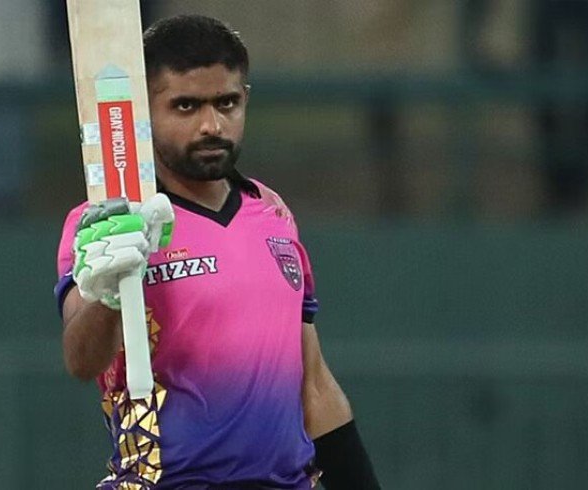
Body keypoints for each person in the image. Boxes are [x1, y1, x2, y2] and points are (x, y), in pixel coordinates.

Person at [54, 15, 379, 489]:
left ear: (245, 98)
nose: (212, 125)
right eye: (185, 106)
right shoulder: (107, 222)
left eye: (227, 103)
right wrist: (107, 296)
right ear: (144, 110)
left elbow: (314, 385)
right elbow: (82, 361)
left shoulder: (273, 214)